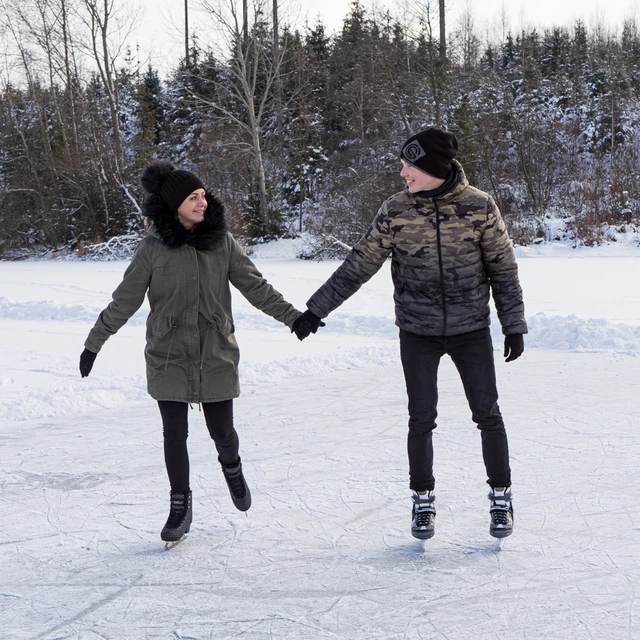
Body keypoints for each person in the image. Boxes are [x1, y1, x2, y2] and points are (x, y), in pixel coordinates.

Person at [294, 128, 527, 541]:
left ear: (433, 169)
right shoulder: (396, 210)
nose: (402, 173)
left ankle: (501, 497)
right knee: (421, 418)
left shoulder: (479, 207)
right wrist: (315, 309)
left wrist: (513, 324)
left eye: (409, 166)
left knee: (487, 414)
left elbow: (503, 269)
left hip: (470, 329)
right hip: (417, 331)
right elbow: (359, 263)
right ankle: (422, 501)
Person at [80, 161, 306, 543]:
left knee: (222, 431)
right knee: (174, 432)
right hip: (167, 354)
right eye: (193, 197)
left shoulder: (222, 242)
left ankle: (231, 467)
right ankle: (180, 506)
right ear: (174, 205)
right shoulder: (152, 249)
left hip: (215, 350)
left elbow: (256, 287)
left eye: (203, 195)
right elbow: (124, 301)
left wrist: (293, 318)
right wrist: (94, 343)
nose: (203, 202)